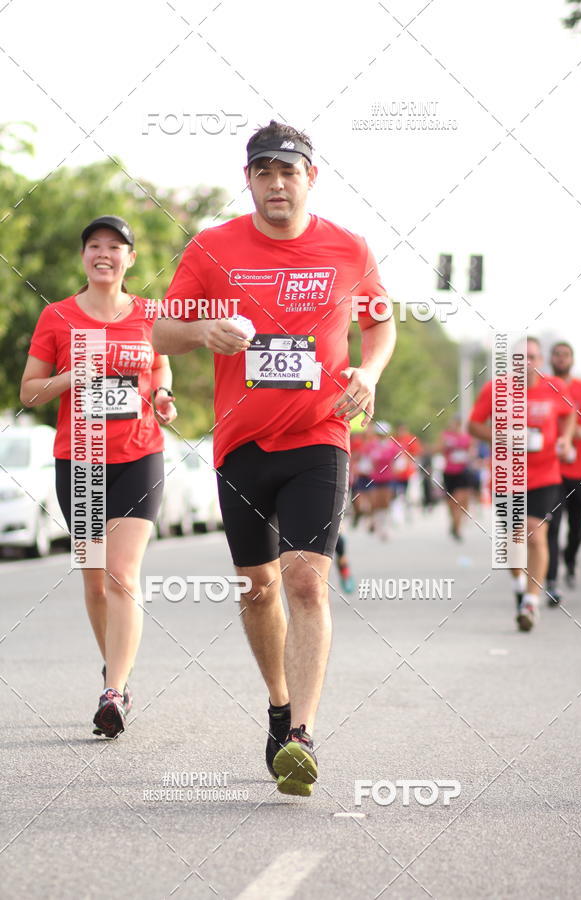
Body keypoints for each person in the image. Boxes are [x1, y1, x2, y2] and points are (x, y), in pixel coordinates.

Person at [153, 120, 395, 796]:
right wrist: (203, 329)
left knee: (306, 580)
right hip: (241, 445)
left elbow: (380, 324)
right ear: (250, 180)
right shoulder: (213, 248)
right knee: (258, 590)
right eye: (264, 171)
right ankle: (279, 704)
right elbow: (161, 331)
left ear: (310, 177)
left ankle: (301, 735)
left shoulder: (349, 249)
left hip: (321, 435)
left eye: (288, 170)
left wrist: (368, 375)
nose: (277, 182)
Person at [20, 215, 177, 737]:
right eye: (94, 246)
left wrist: (162, 395)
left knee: (121, 574)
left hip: (139, 456)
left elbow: (159, 368)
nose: (104, 253)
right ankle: (118, 674)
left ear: (131, 259)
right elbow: (29, 392)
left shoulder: (151, 314)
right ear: (83, 257)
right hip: (81, 460)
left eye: (116, 246)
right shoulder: (57, 317)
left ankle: (114, 691)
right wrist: (71, 376)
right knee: (94, 584)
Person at [469, 337, 575, 631]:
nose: (526, 363)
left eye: (532, 357)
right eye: (520, 357)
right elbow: (473, 425)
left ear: (540, 361)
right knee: (514, 543)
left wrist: (565, 439)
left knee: (536, 535)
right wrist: (502, 439)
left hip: (545, 475)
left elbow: (568, 416)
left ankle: (530, 601)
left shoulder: (556, 387)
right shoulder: (495, 389)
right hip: (507, 475)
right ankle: (520, 582)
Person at [546, 341, 581, 602]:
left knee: (576, 527)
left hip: (580, 470)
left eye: (565, 355)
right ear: (550, 359)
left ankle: (570, 558)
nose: (561, 359)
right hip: (550, 470)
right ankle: (552, 581)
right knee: (550, 526)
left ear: (572, 359)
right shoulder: (542, 389)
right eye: (557, 355)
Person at [435, 416, 474, 541]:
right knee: (451, 503)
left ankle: (457, 529)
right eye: (454, 423)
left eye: (458, 424)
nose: (455, 426)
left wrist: (467, 455)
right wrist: (446, 446)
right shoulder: (445, 436)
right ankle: (454, 522)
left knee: (460, 500)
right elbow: (437, 449)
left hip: (463, 472)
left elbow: (472, 452)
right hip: (449, 472)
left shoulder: (466, 437)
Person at [390, 422, 422, 523]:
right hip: (396, 474)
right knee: (396, 494)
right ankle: (397, 515)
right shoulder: (393, 440)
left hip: (408, 473)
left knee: (409, 494)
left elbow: (416, 454)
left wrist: (408, 462)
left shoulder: (411, 439)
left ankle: (409, 512)